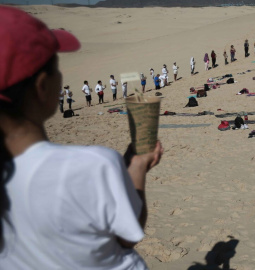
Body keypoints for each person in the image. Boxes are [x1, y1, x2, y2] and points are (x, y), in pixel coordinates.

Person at [0, 7, 164, 269]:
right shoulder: (93, 164)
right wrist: (138, 165)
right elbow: (128, 234)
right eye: (57, 68)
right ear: (42, 86)